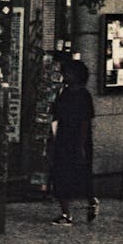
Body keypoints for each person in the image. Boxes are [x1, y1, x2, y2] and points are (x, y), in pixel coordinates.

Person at [50, 58, 99, 225]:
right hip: (63, 137)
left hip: (77, 139)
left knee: (80, 175)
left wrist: (81, 145)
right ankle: (66, 213)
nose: (65, 75)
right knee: (61, 175)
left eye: (68, 72)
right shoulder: (64, 92)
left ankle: (91, 201)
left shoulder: (83, 95)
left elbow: (85, 121)